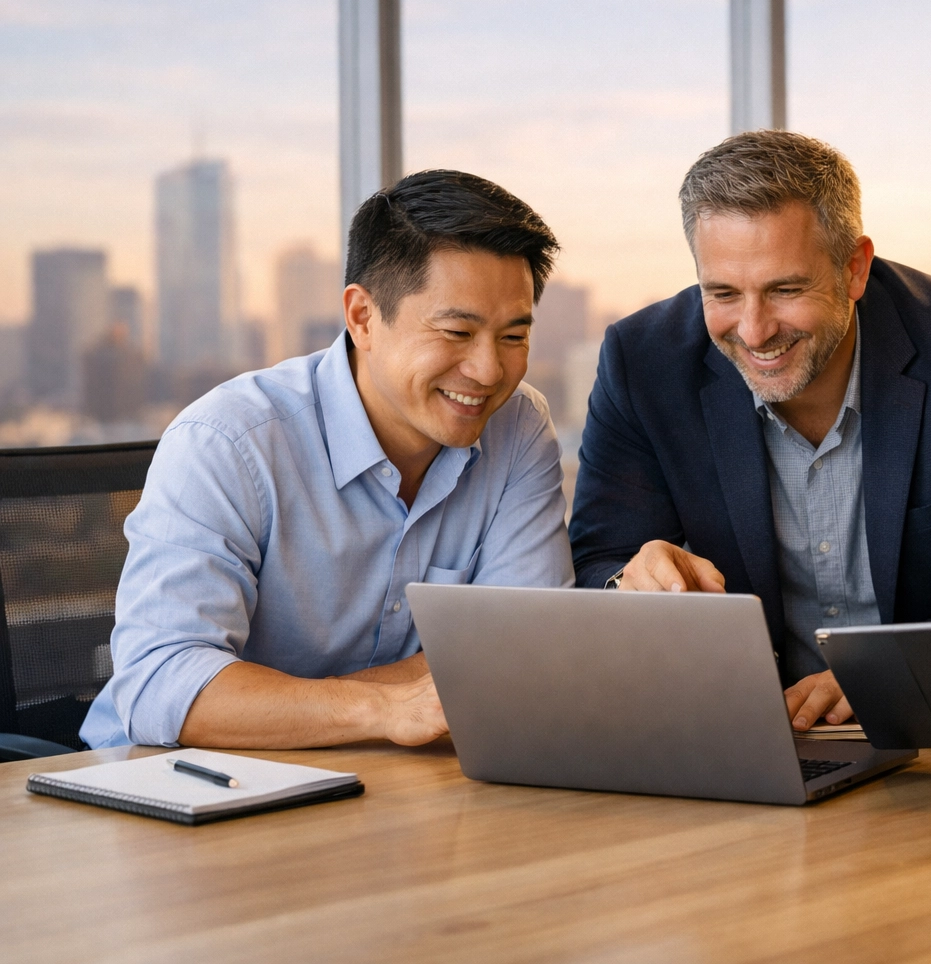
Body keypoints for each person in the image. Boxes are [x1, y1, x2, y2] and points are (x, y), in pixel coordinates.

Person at [81, 169, 574, 750]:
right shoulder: (229, 441)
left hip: (377, 784)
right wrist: (383, 707)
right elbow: (162, 684)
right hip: (167, 788)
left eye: (513, 338)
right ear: (362, 317)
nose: (490, 372)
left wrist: (299, 704)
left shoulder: (516, 426)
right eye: (457, 332)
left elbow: (525, 653)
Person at [568, 130, 931, 731]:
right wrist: (630, 579)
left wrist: (889, 679)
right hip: (737, 731)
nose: (754, 332)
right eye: (723, 293)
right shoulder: (642, 361)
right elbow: (599, 562)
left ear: (855, 268)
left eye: (785, 290)